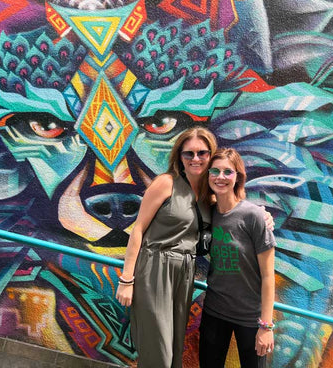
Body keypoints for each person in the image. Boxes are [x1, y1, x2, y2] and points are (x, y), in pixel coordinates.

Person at [115, 127, 273, 368]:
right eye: (189, 154)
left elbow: (233, 209)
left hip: (184, 274)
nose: (196, 159)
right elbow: (138, 229)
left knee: (175, 348)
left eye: (202, 153)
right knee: (159, 350)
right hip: (156, 268)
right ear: (179, 156)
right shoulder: (165, 183)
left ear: (210, 155)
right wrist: (127, 279)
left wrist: (263, 215)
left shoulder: (208, 197)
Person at [198, 148, 276, 368]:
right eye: (215, 171)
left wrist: (266, 326)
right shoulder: (207, 213)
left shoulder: (254, 216)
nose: (220, 177)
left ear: (238, 177)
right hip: (214, 312)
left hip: (250, 319)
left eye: (227, 172)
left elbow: (269, 277)